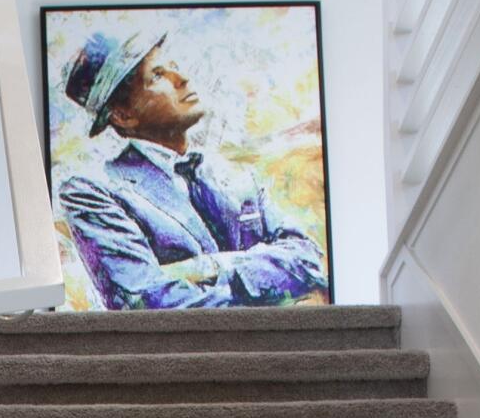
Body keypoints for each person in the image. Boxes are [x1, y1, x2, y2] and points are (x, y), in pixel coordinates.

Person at [56, 27, 328, 310]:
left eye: (173, 66)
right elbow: (149, 303)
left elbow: (307, 257)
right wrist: (278, 305)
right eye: (158, 75)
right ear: (124, 115)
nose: (181, 78)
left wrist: (210, 267)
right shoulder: (94, 191)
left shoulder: (232, 175)